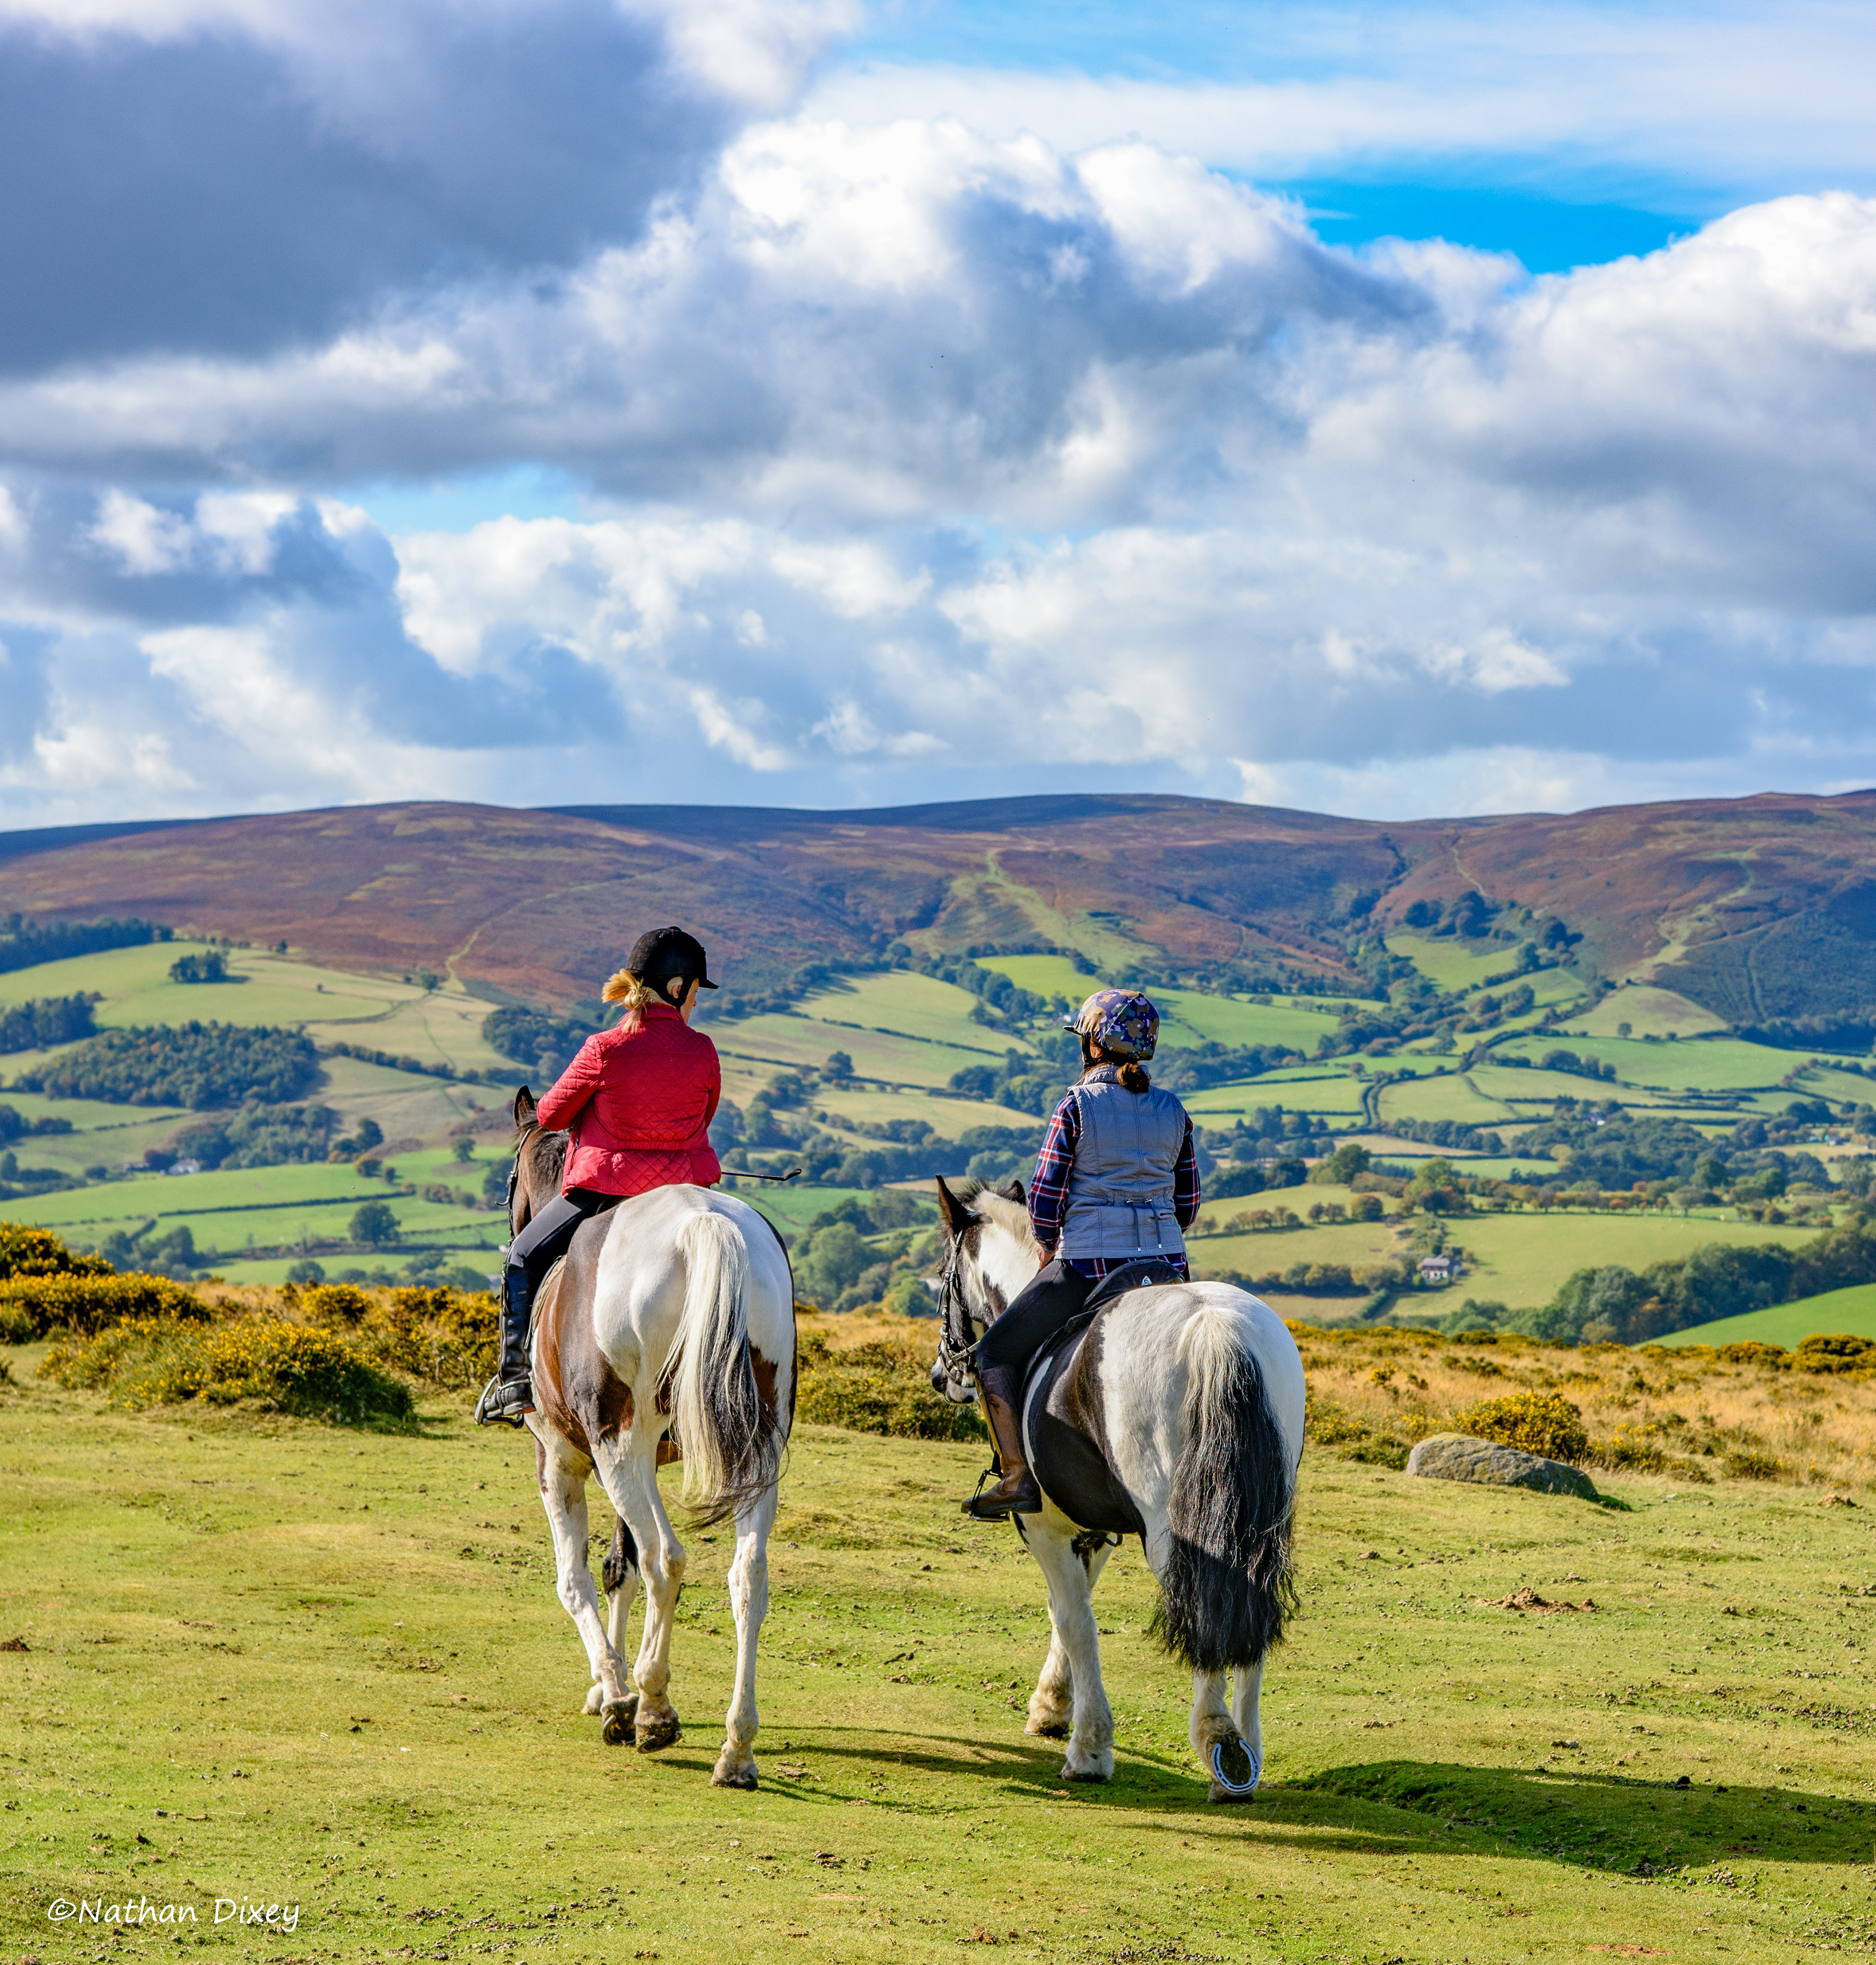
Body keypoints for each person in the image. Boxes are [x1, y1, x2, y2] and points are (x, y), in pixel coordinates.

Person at [963, 988, 1200, 1518]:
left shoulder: (1075, 1104)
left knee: (992, 1354)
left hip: (1087, 1267)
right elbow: (1188, 1204)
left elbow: (1045, 1195)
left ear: (1094, 1044)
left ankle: (1018, 1477)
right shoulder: (1174, 1111)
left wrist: (1046, 1241)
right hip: (1166, 1269)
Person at [475, 926, 724, 1427]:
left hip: (602, 1195)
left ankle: (515, 1382)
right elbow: (703, 1117)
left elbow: (547, 1117)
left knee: (522, 1257)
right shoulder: (703, 1051)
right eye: (697, 993)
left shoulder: (604, 1049)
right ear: (677, 990)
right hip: (680, 1196)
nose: (696, 1005)